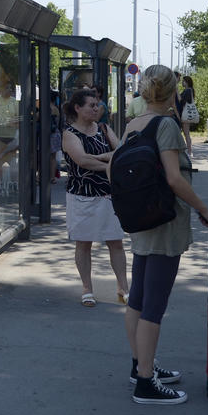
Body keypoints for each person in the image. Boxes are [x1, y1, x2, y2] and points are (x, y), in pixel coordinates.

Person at [117, 64, 208, 405]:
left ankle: (139, 365)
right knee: (154, 306)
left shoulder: (134, 123)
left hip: (141, 218)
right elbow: (174, 179)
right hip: (164, 220)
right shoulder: (168, 125)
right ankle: (146, 381)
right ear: (173, 90)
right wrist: (204, 209)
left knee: (139, 298)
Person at [61, 88, 128, 308]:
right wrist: (109, 165)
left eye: (97, 104)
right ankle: (87, 289)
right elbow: (82, 161)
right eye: (91, 105)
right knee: (84, 244)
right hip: (83, 196)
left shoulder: (103, 128)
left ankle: (123, 287)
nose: (96, 108)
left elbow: (121, 153)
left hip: (109, 195)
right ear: (78, 108)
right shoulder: (69, 133)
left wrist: (102, 158)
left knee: (115, 242)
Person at [179, 75, 196, 158]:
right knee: (186, 133)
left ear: (187, 82)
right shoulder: (189, 90)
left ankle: (189, 152)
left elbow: (180, 100)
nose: (182, 82)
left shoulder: (188, 91)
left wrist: (176, 92)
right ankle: (188, 151)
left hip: (186, 114)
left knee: (186, 133)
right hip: (186, 114)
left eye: (183, 81)